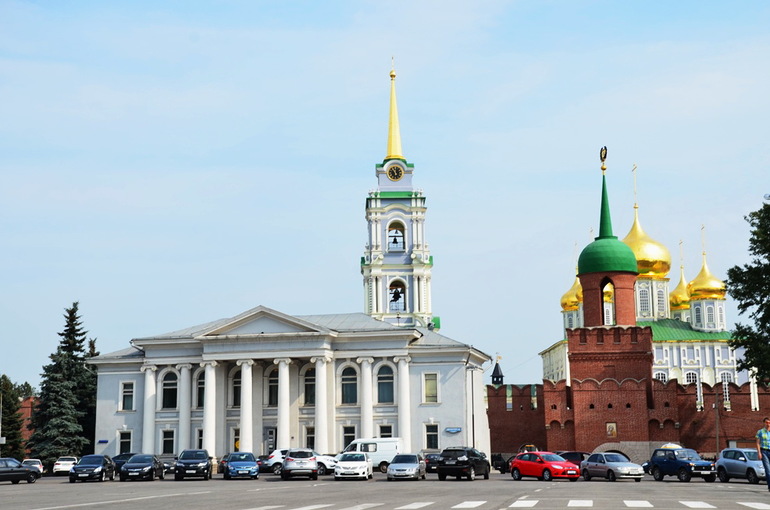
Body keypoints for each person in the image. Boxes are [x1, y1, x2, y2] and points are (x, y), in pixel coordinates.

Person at [756, 417, 770, 492]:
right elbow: (758, 443)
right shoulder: (760, 432)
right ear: (764, 423)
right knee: (768, 470)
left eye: (769, 423)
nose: (768, 424)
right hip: (764, 451)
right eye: (767, 423)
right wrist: (759, 452)